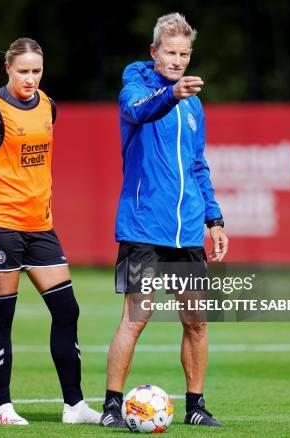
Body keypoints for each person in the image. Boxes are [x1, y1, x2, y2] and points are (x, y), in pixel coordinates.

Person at [0, 37, 100, 426]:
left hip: (41, 227)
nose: (30, 78)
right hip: (0, 224)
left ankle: (74, 407)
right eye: (23, 71)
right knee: (3, 316)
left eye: (36, 71)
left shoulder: (49, 106)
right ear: (8, 68)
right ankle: (3, 406)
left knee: (67, 309)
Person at [99, 13, 228, 428]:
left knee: (197, 321)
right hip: (143, 226)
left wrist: (214, 217)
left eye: (184, 54)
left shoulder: (194, 104)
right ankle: (111, 408)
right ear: (154, 51)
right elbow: (140, 111)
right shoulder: (136, 88)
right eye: (170, 52)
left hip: (188, 230)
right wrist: (172, 94)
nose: (177, 60)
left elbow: (197, 164)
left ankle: (195, 406)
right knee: (136, 318)